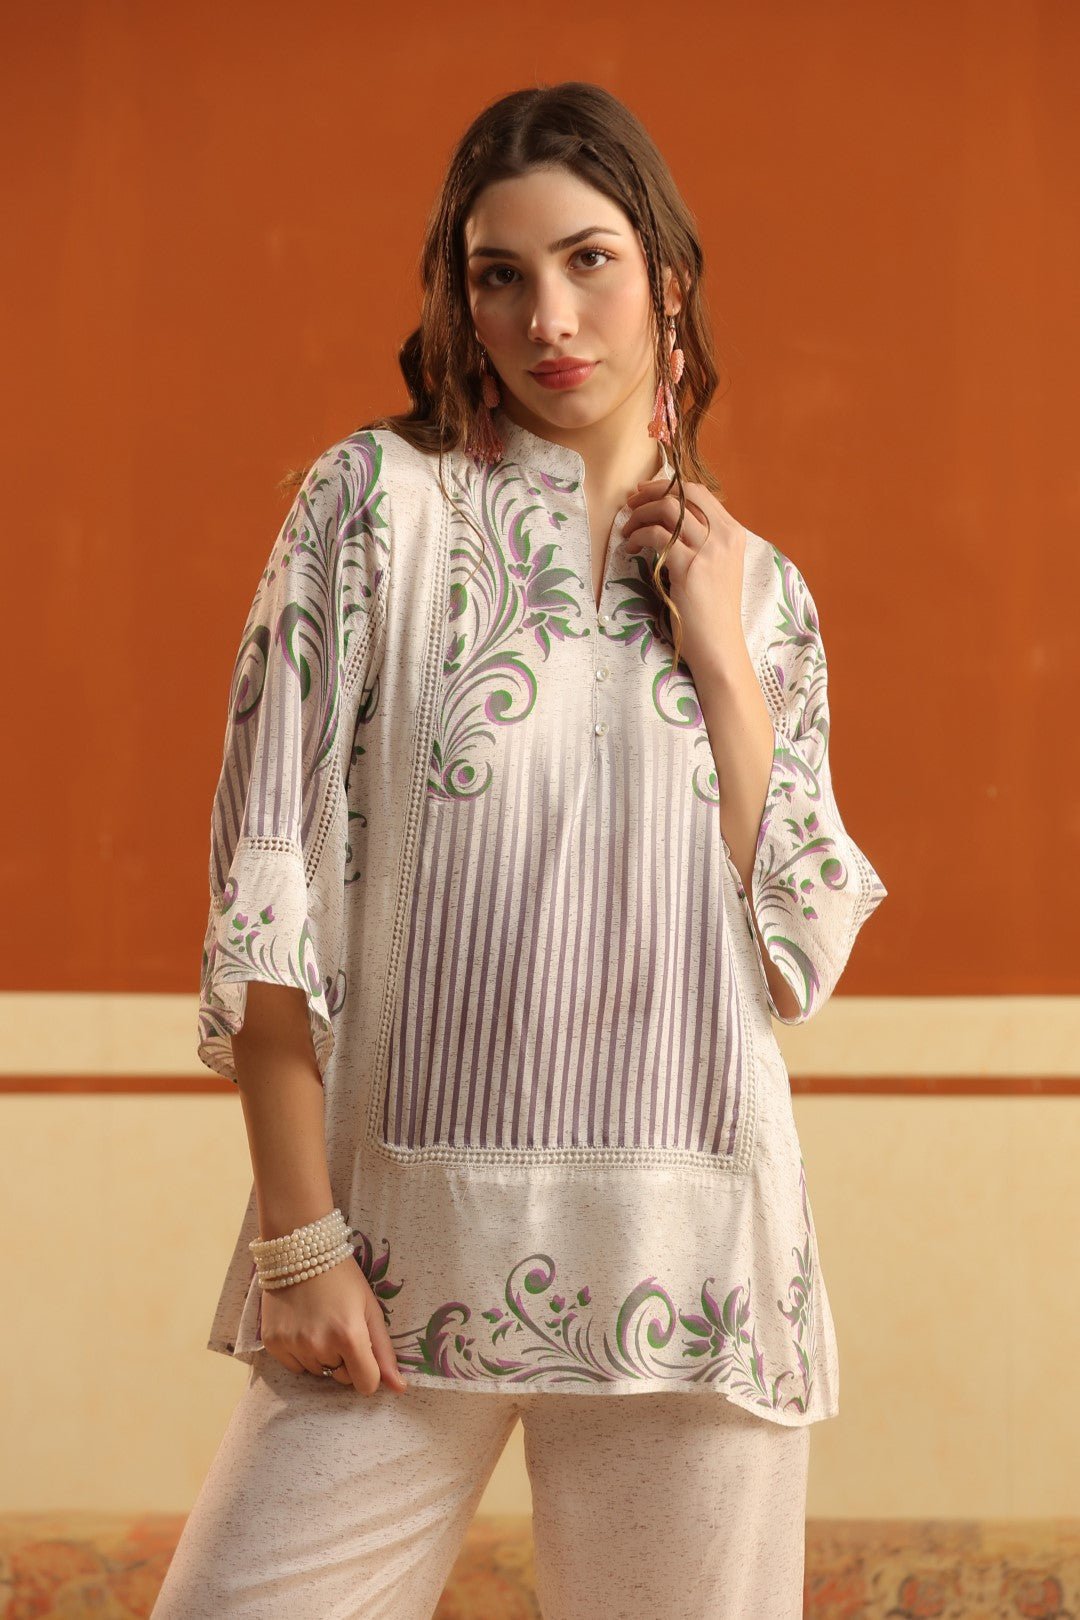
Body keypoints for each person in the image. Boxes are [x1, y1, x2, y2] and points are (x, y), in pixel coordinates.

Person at [152, 79, 887, 1620]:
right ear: (459, 293)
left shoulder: (764, 597)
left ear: (665, 279)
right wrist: (296, 1238)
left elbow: (798, 947)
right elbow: (267, 875)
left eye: (588, 261)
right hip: (389, 1263)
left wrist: (725, 667)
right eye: (501, 275)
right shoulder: (374, 510)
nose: (547, 318)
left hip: (693, 1272)